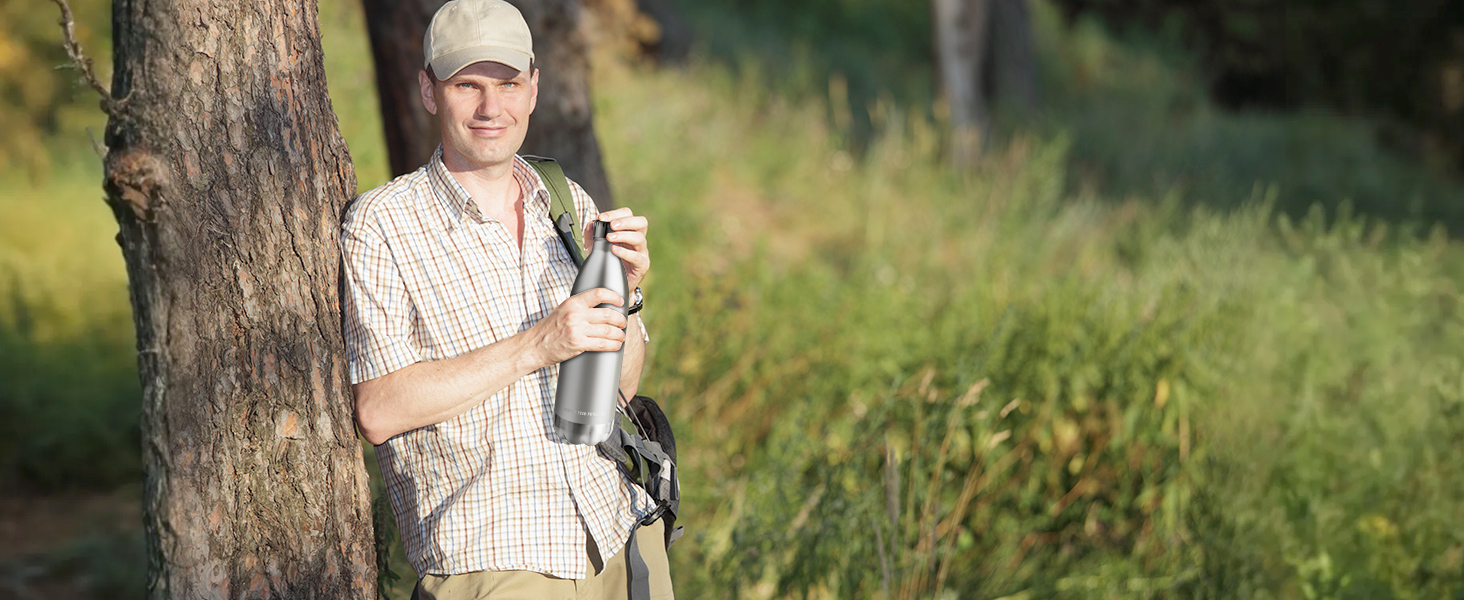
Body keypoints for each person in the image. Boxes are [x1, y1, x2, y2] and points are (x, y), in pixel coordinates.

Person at [339, 0, 670, 598]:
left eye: (509, 84)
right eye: (467, 85)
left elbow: (618, 391)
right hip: (495, 562)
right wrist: (536, 346)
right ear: (429, 91)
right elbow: (378, 411)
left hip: (618, 539)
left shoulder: (567, 201)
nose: (492, 108)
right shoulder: (383, 224)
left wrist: (628, 295)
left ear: (535, 90)